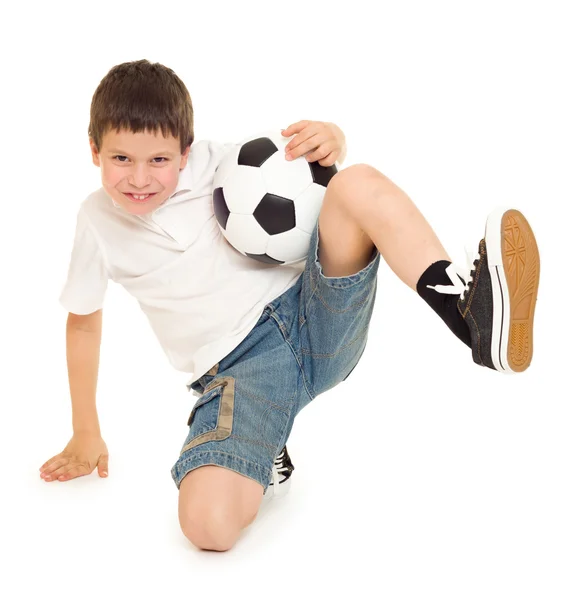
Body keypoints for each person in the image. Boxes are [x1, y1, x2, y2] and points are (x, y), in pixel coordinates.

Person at [38, 59, 540, 552]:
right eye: (121, 159)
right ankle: (263, 454)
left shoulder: (224, 162)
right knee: (206, 528)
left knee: (355, 181)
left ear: (186, 152)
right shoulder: (96, 223)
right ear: (94, 150)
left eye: (159, 160)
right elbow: (82, 324)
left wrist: (333, 137)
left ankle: (470, 318)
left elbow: (310, 169)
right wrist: (86, 431)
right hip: (238, 373)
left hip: (312, 313)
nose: (140, 178)